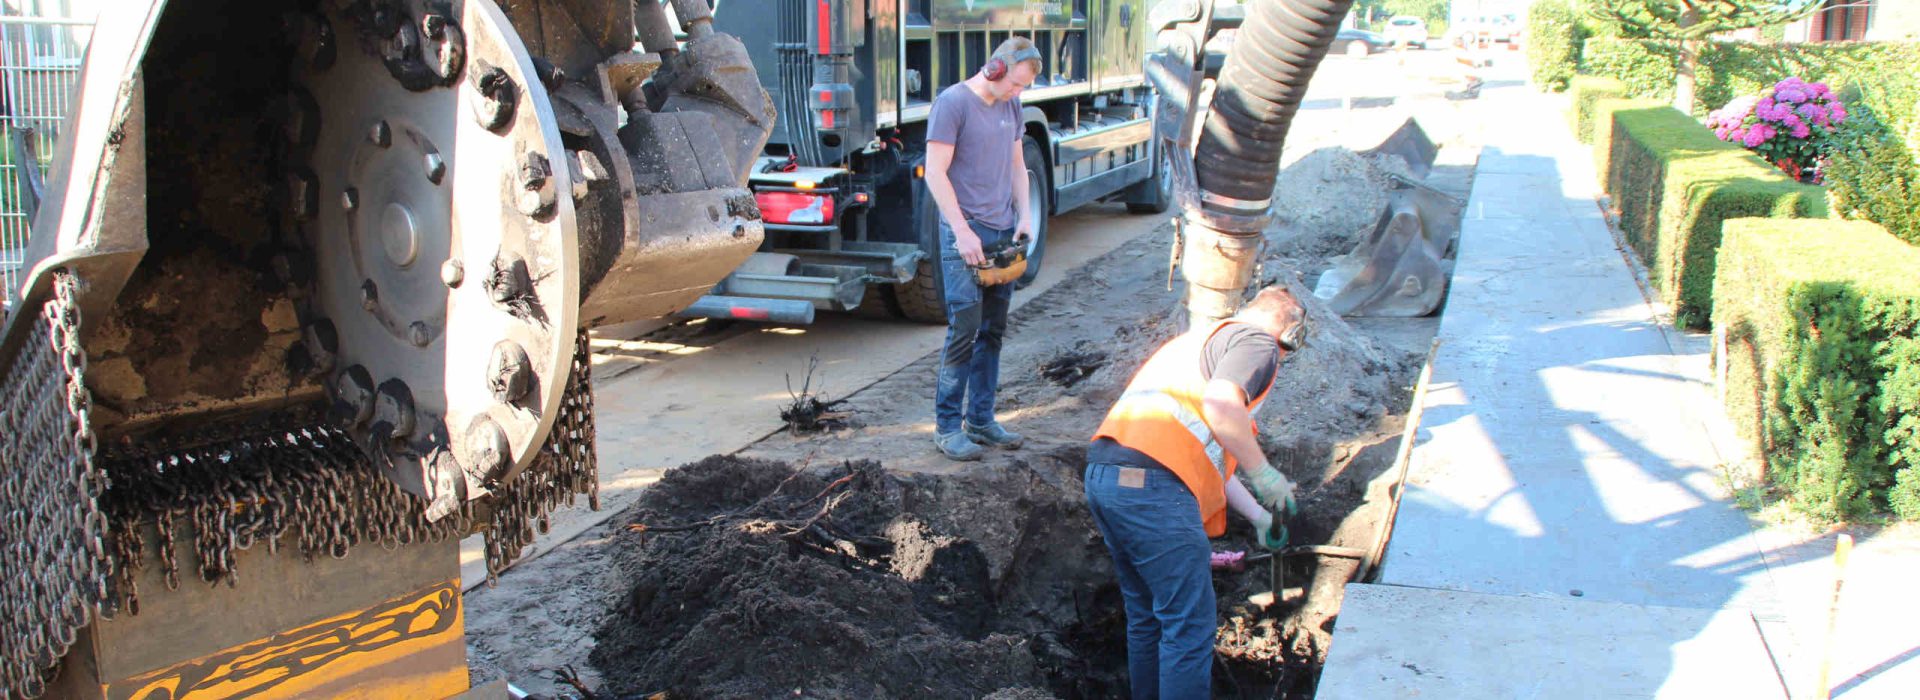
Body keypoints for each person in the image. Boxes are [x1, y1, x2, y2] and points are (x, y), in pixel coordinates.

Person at [1083, 286, 1308, 699]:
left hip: (1108, 478)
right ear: (1290, 333)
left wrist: (1258, 515)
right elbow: (1223, 406)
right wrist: (1264, 472)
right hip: (1154, 490)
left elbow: (1204, 456)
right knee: (1188, 625)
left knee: (1150, 616)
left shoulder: (1196, 344)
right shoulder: (1257, 342)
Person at [923, 37, 1042, 461]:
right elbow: (935, 173)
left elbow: (1016, 165)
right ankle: (946, 426)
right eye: (1016, 83)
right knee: (965, 329)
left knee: (992, 330)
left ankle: (981, 419)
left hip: (1002, 231)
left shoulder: (1010, 106)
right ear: (995, 68)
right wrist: (961, 230)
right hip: (967, 232)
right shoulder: (953, 104)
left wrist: (1024, 216)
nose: (1019, 93)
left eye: (1024, 87)